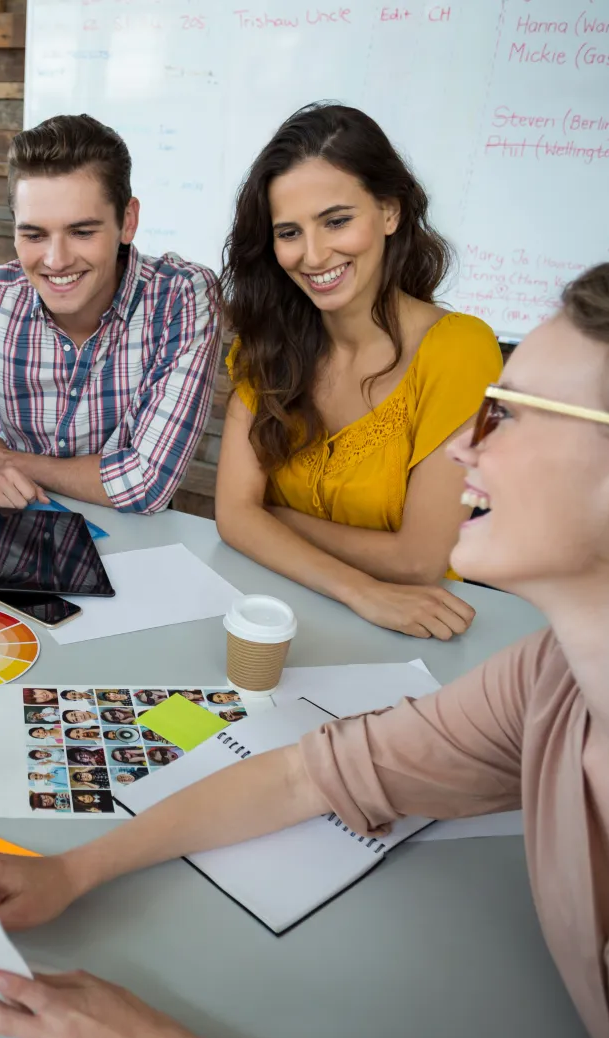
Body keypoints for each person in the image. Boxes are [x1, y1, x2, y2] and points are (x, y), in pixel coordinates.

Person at [0, 255, 609, 1038]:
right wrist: (73, 869)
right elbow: (308, 775)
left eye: (512, 411)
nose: (465, 446)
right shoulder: (554, 679)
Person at [214, 104, 498, 641]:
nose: (314, 255)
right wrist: (361, 590)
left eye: (337, 221)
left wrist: (268, 516)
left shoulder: (461, 349)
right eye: (289, 232)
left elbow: (419, 561)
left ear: (389, 213)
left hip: (420, 632)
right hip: (281, 613)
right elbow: (232, 516)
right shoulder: (269, 340)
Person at [0, 114, 219, 513]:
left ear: (127, 221)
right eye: (34, 234)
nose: (56, 260)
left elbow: (146, 484)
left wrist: (9, 460)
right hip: (13, 519)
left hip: (132, 538)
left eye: (82, 232)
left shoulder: (181, 298)